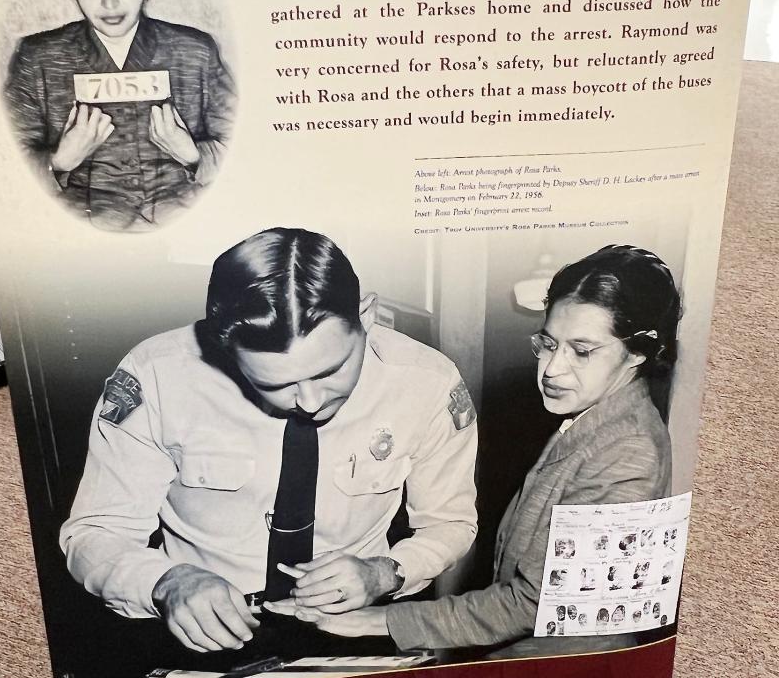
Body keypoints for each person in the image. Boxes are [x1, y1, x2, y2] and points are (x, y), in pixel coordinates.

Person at [59, 227, 478, 653]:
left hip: (357, 630)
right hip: (197, 639)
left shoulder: (427, 383)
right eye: (275, 384)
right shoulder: (158, 376)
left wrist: (386, 571)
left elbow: (450, 522)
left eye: (330, 371)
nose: (311, 403)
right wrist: (166, 582)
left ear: (365, 316)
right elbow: (95, 533)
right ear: (226, 348)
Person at [274, 244, 681, 654]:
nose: (553, 368)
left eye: (581, 351)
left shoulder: (628, 449)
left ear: (639, 351)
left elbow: (536, 603)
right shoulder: (594, 420)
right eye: (548, 343)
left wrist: (378, 620)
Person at [5, 0, 236, 230]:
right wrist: (60, 161)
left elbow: (240, 148)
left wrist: (193, 155)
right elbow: (5, 165)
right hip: (83, 226)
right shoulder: (37, 57)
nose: (109, 2)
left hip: (187, 219)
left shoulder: (196, 51)